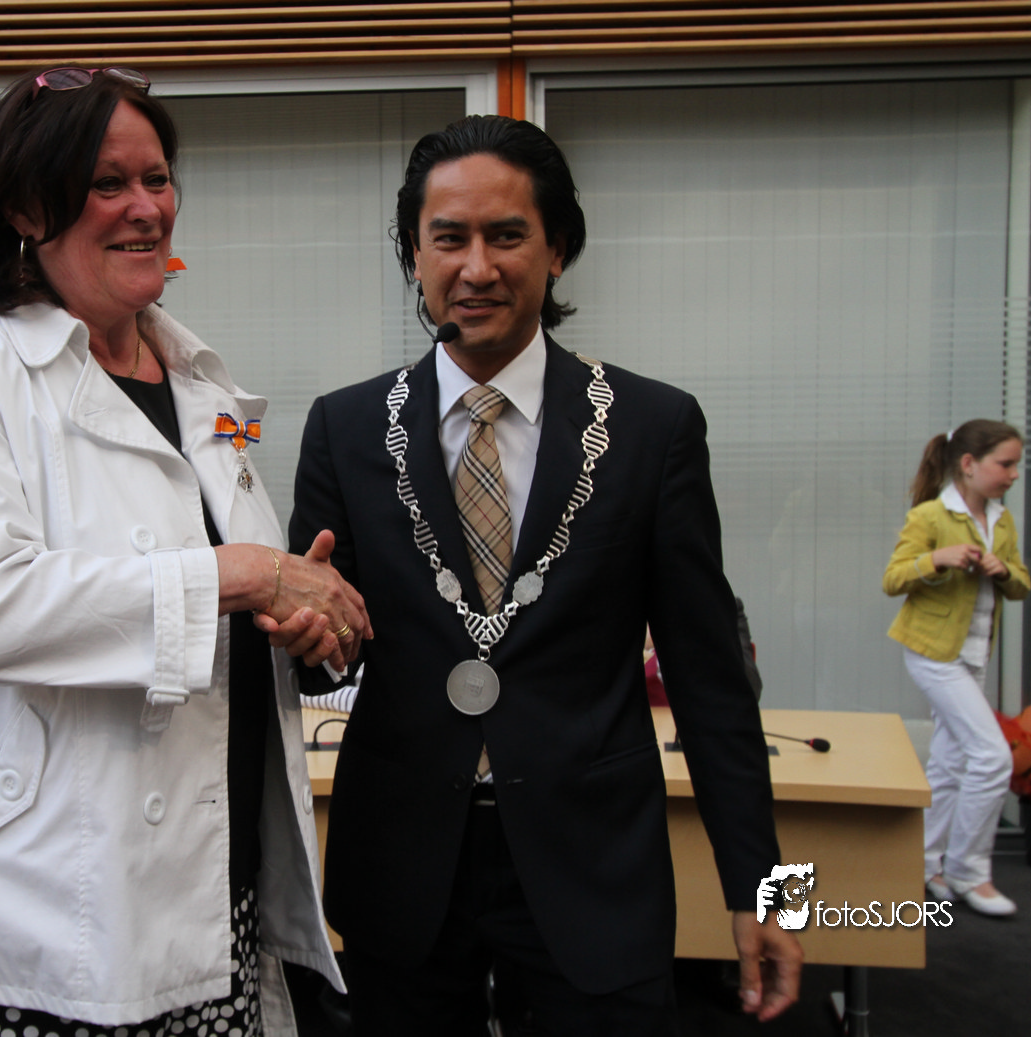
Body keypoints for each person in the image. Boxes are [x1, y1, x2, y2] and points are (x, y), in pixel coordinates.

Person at [283, 115, 801, 1033]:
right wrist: (314, 635)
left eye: (507, 235)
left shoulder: (651, 428)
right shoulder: (346, 427)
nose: (476, 267)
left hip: (593, 862)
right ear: (413, 254)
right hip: (404, 860)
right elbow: (324, 659)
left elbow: (708, 676)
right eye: (448, 238)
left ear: (557, 249)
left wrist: (762, 887)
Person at [0, 66, 369, 1037]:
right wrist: (247, 573)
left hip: (216, 887)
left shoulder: (205, 384)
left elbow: (226, 603)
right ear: (26, 207)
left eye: (157, 178)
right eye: (107, 183)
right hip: (57, 911)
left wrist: (304, 629)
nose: (146, 207)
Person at [883, 419, 1030, 917]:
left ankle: (926, 865)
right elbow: (893, 578)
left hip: (974, 654)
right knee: (992, 757)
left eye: (1016, 465)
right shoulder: (930, 515)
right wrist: (938, 559)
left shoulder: (1001, 520)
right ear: (969, 464)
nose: (1013, 474)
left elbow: (1022, 584)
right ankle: (970, 871)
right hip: (933, 652)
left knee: (950, 762)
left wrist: (1003, 570)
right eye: (1005, 464)